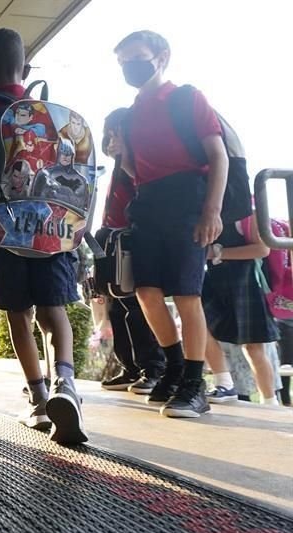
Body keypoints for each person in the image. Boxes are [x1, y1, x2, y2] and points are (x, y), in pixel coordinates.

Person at [0, 28, 85, 445]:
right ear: (25, 69)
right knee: (54, 311)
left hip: (5, 227)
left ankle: (38, 398)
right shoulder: (54, 113)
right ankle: (66, 382)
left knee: (18, 313)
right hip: (52, 227)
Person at [115, 30, 228, 419]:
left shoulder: (187, 98)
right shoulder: (130, 114)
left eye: (137, 58)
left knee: (185, 293)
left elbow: (219, 156)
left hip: (187, 199)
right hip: (149, 203)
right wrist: (123, 155)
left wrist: (211, 211)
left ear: (161, 56)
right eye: (123, 62)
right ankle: (175, 367)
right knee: (146, 292)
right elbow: (136, 173)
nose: (130, 67)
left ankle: (195, 384)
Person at [97, 108, 165, 394]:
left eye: (117, 134)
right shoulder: (115, 167)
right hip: (113, 241)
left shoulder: (140, 163)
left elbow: (144, 190)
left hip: (134, 241)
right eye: (109, 135)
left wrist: (125, 156)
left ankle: (154, 368)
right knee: (117, 305)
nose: (112, 141)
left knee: (136, 307)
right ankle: (130, 367)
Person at [202, 215, 280, 405]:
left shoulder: (247, 213)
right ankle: (224, 383)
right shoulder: (200, 212)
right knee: (201, 331)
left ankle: (269, 401)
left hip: (246, 283)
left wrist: (217, 252)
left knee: (253, 347)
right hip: (214, 283)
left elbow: (262, 249)